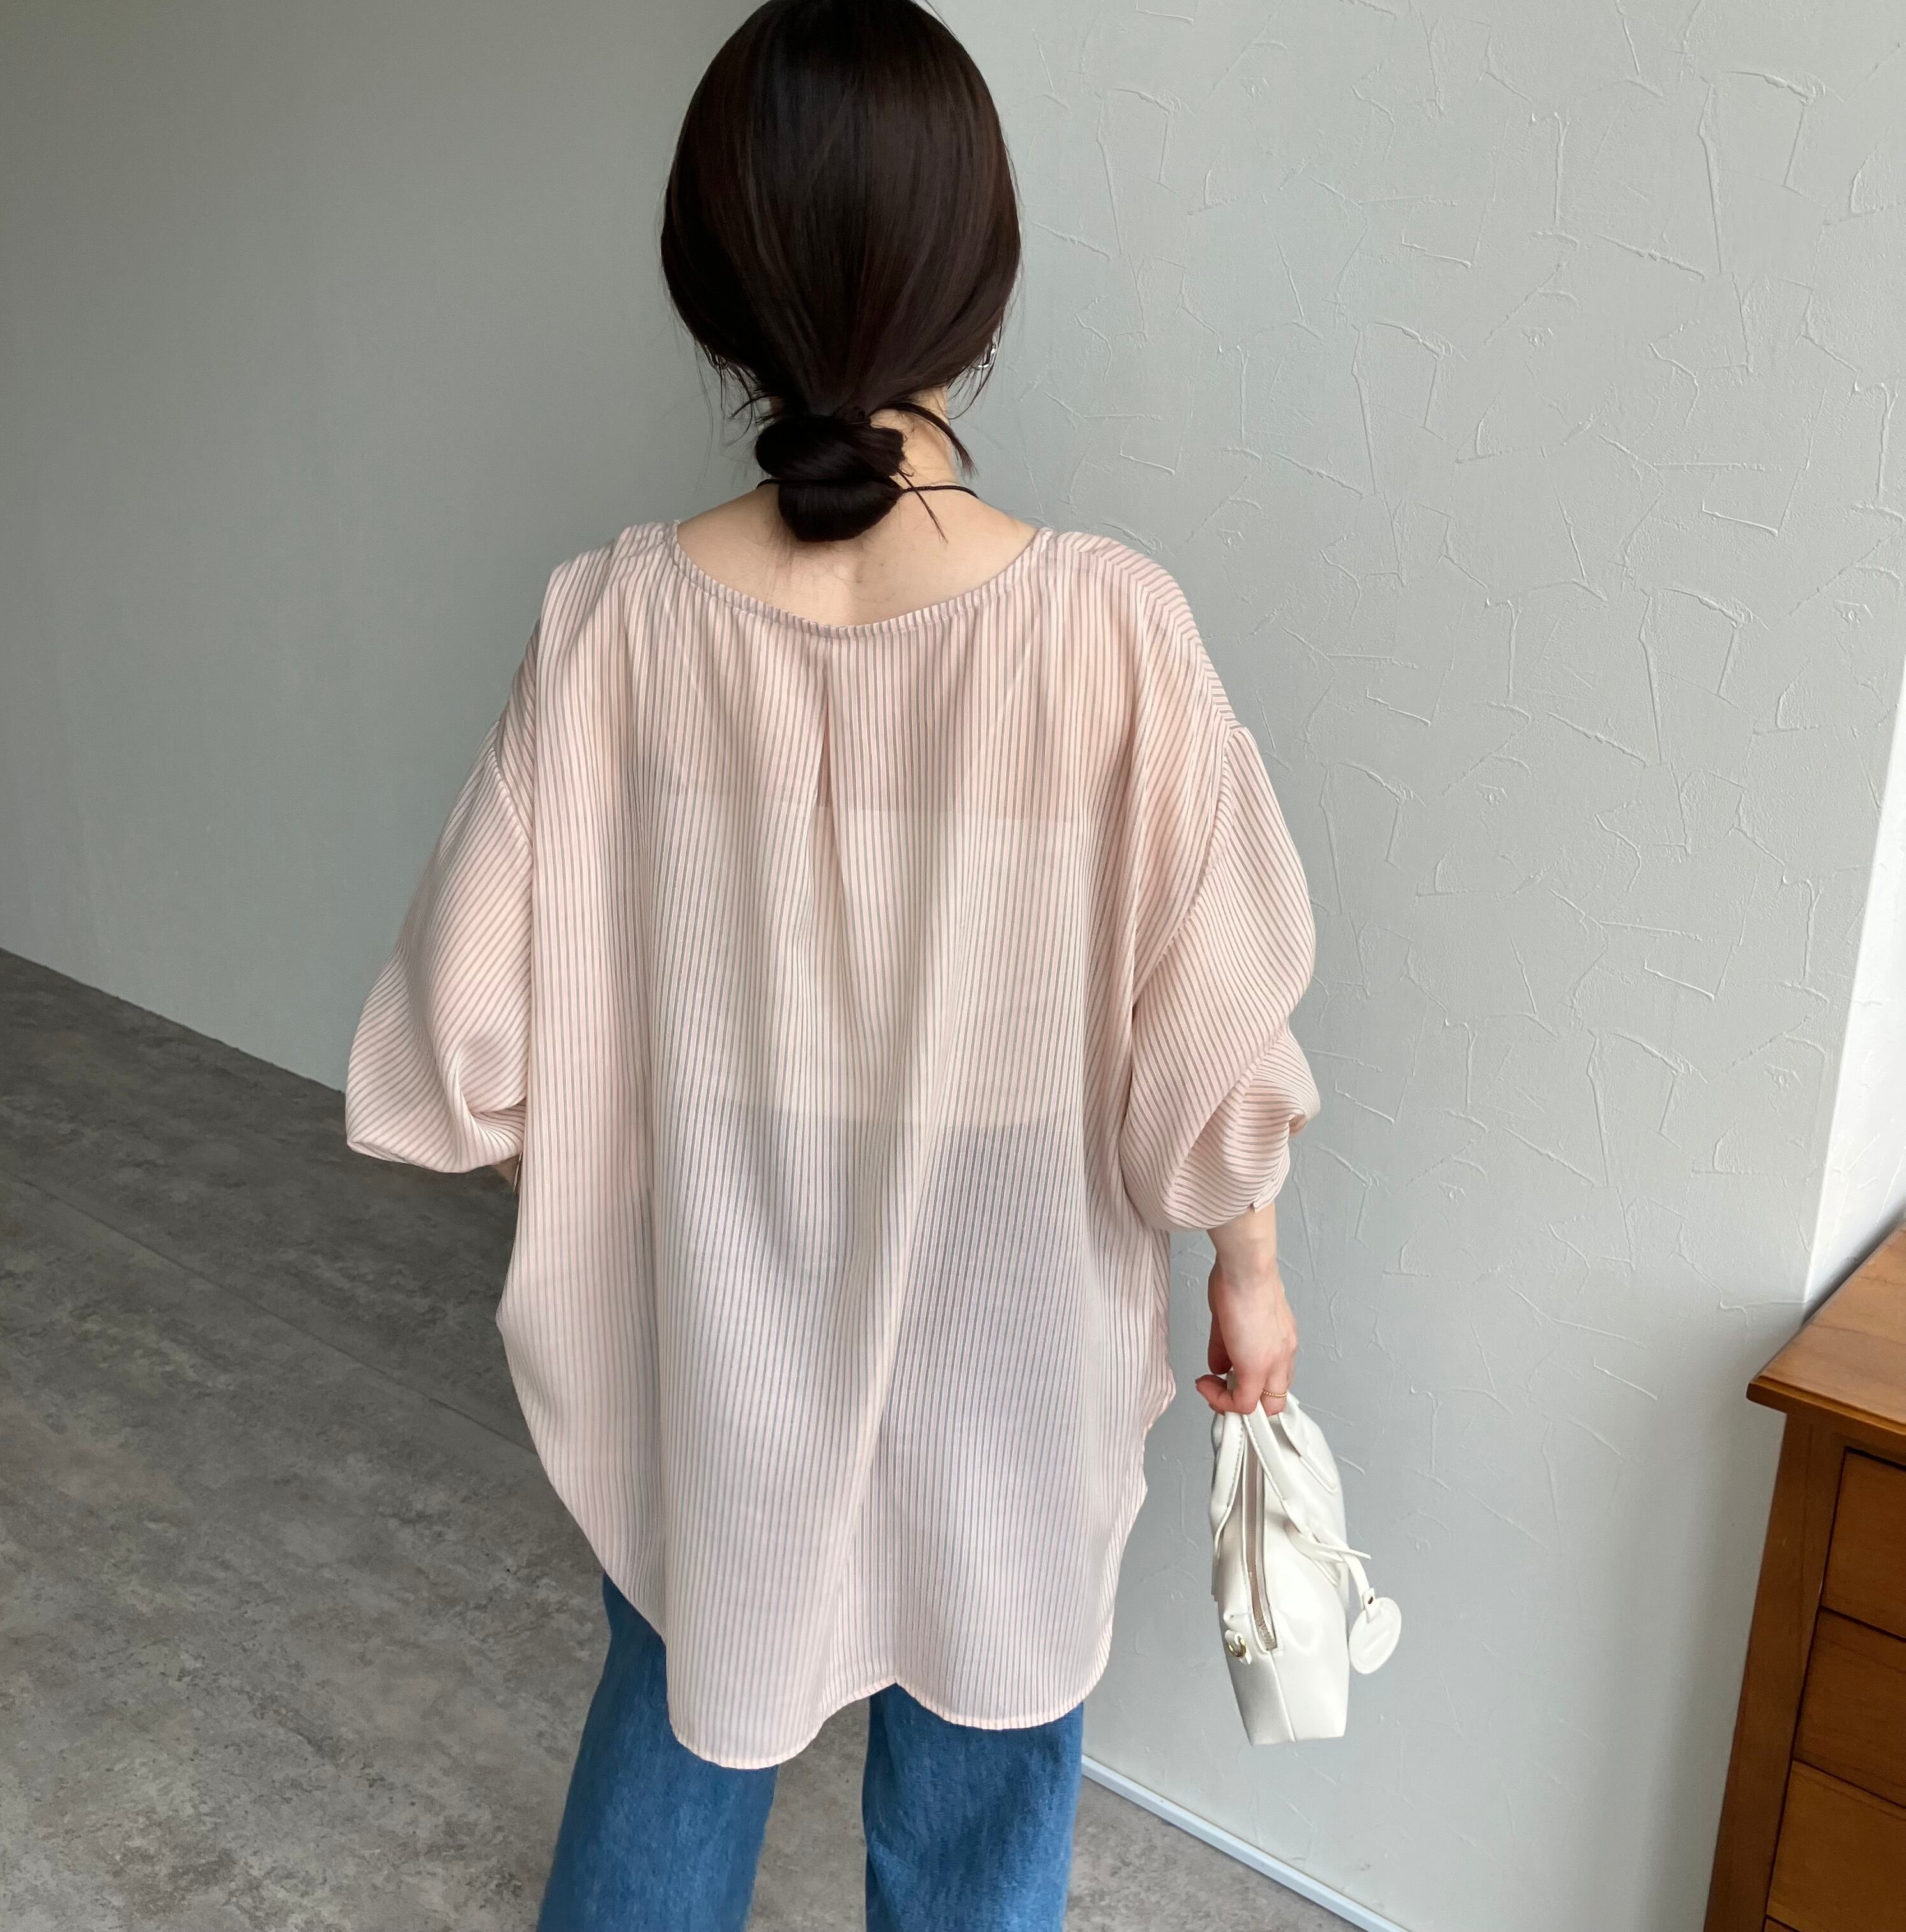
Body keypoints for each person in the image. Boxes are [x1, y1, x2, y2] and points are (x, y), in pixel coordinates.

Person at [341, 0, 1320, 1925]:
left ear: (709, 282)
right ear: (986, 272)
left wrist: (649, 1198)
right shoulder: (1111, 631)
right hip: (1013, 1296)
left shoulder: (614, 623)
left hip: (718, 1297)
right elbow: (1210, 1044)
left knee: (682, 1696)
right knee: (987, 1742)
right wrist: (1254, 1275)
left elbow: (465, 1035)